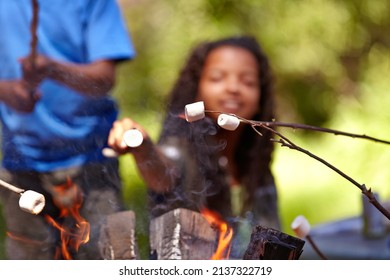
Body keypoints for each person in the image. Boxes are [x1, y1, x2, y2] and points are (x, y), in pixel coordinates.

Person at [108, 35, 281, 259]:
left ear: (261, 97)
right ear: (197, 90)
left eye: (248, 81)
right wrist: (142, 146)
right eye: (217, 78)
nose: (233, 88)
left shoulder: (259, 172)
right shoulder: (182, 148)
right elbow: (163, 172)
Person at [0, 0, 135, 259]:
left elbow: (104, 79)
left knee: (103, 258)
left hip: (92, 159)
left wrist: (52, 68)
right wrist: (7, 91)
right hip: (21, 162)